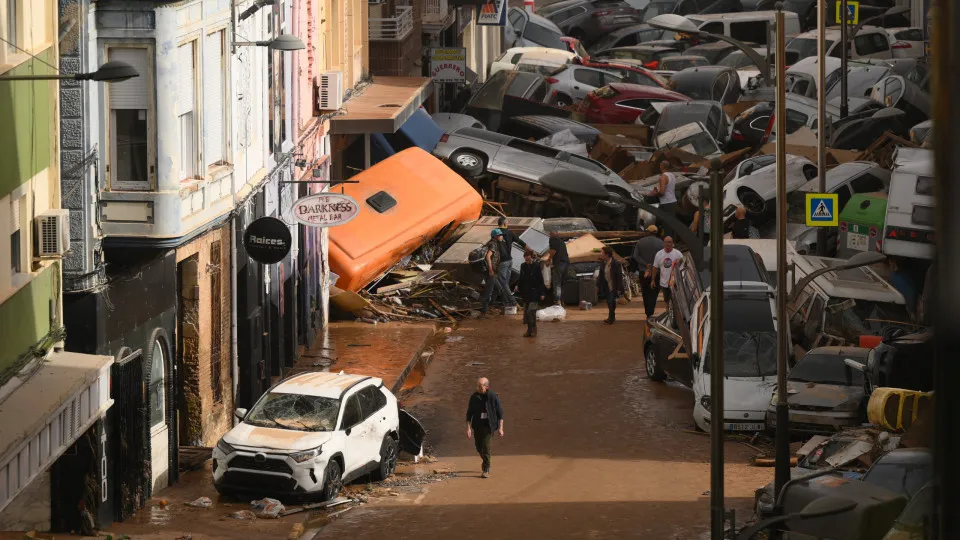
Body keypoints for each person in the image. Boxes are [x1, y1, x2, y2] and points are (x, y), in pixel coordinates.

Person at [465, 377, 504, 478]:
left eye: (480, 385)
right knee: (479, 447)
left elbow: (500, 414)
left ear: (486, 386)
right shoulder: (474, 397)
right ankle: (487, 459)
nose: (477, 387)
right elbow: (469, 414)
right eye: (477, 385)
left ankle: (486, 469)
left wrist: (500, 428)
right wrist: (468, 428)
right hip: (477, 426)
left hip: (489, 426)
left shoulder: (492, 396)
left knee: (486, 447)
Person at [631, 225, 664, 319]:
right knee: (654, 293)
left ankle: (648, 312)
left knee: (645, 293)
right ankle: (651, 312)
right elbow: (663, 257)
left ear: (649, 232)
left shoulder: (640, 242)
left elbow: (635, 256)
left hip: (643, 271)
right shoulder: (661, 243)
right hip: (656, 272)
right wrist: (654, 265)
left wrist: (645, 264)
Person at [480, 229, 515, 315]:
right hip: (490, 271)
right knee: (490, 290)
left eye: (501, 235)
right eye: (499, 235)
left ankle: (490, 306)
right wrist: (491, 270)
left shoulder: (496, 243)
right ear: (495, 237)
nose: (501, 236)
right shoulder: (493, 244)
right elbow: (488, 256)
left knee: (497, 288)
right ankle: (484, 310)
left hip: (493, 271)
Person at [516, 247, 546, 337]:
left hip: (535, 292)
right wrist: (517, 285)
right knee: (526, 312)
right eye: (525, 257)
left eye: (528, 257)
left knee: (531, 311)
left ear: (531, 257)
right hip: (526, 293)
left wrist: (542, 293)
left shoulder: (536, 266)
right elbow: (521, 277)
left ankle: (534, 329)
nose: (526, 259)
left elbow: (541, 280)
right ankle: (529, 330)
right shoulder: (523, 266)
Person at [651, 236, 683, 311]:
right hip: (664, 282)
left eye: (669, 242)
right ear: (663, 243)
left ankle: (675, 313)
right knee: (667, 300)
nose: (667, 244)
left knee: (676, 300)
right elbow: (655, 268)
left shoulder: (678, 254)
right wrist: (652, 280)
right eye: (666, 242)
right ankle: (668, 312)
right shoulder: (659, 254)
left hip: (676, 282)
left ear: (672, 243)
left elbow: (683, 266)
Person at [648, 160, 678, 235]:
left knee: (666, 223)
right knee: (670, 222)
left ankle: (667, 240)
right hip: (673, 201)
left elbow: (662, 192)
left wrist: (654, 193)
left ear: (661, 166)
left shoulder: (663, 177)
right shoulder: (672, 175)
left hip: (666, 203)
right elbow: (668, 188)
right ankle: (669, 238)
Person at [597, 246, 625, 325]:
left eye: (602, 253)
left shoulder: (616, 264)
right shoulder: (603, 263)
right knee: (609, 301)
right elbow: (600, 275)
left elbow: (619, 277)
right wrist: (597, 286)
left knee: (611, 301)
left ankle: (611, 317)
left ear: (607, 254)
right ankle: (612, 316)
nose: (601, 254)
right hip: (606, 286)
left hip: (613, 286)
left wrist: (620, 288)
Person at [544, 232, 570, 305]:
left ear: (551, 235)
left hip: (559, 264)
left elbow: (553, 251)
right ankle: (562, 301)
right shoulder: (561, 242)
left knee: (557, 283)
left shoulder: (552, 240)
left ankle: (557, 301)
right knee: (562, 283)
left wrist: (548, 260)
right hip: (566, 264)